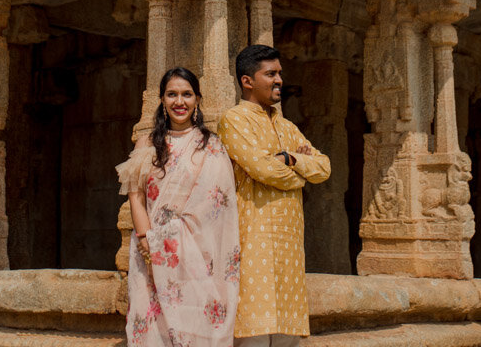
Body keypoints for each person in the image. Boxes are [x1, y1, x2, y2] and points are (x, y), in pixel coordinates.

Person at [116, 67, 240, 347]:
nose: (179, 101)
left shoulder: (212, 147)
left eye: (187, 94)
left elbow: (218, 206)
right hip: (152, 249)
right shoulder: (147, 143)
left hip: (197, 254)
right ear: (162, 100)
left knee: (196, 322)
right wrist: (148, 240)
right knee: (153, 325)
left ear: (197, 99)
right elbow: (136, 197)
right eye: (172, 94)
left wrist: (177, 238)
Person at [217, 45, 330, 347]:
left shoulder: (288, 126)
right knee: (253, 329)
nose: (279, 79)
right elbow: (263, 169)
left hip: (290, 244)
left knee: (288, 336)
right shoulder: (234, 120)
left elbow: (324, 167)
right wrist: (299, 174)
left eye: (279, 73)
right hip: (254, 237)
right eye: (271, 74)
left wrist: (290, 159)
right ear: (247, 81)